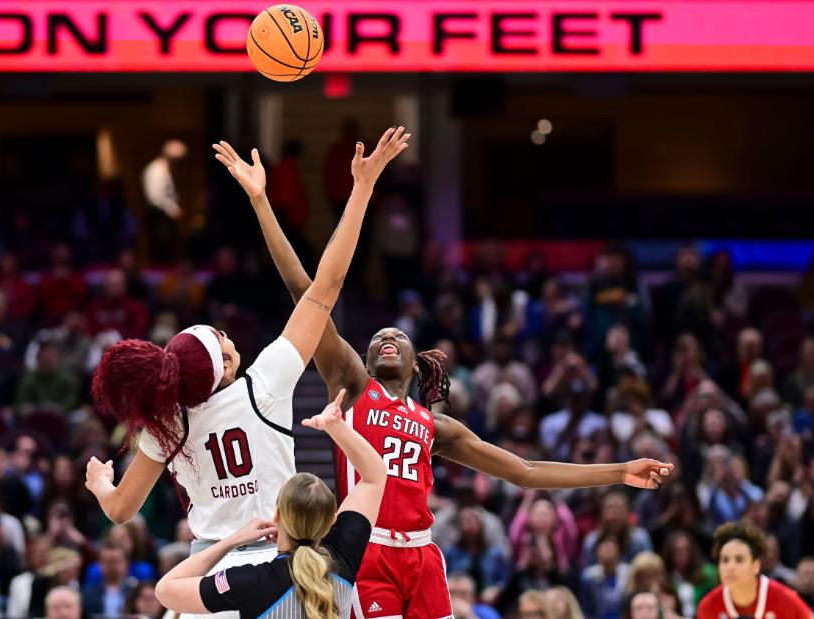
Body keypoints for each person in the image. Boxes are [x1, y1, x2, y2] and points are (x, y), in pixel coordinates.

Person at [235, 130, 675, 619]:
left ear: (417, 361)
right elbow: (305, 290)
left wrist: (619, 471)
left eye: (396, 337)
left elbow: (525, 473)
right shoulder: (354, 387)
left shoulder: (435, 427)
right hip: (366, 549)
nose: (385, 338)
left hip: (423, 554)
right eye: (377, 337)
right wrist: (261, 203)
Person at [86, 127, 409, 619]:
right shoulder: (265, 385)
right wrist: (359, 188)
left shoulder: (166, 421)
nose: (227, 334)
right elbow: (328, 283)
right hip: (286, 568)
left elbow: (120, 511)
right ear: (227, 364)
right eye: (220, 336)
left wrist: (99, 485)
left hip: (208, 580)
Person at [152, 388, 386, 618]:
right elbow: (375, 476)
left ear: (277, 515)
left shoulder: (253, 581)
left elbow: (166, 591)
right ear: (332, 520)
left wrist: (231, 540)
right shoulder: (343, 554)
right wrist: (337, 427)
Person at [696, 522, 814, 619]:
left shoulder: (783, 599)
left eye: (739, 560)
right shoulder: (708, 606)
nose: (730, 567)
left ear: (756, 566)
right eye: (725, 560)